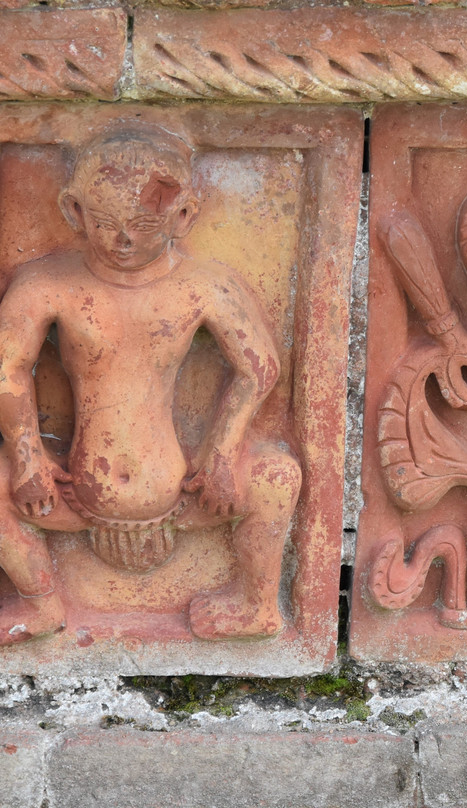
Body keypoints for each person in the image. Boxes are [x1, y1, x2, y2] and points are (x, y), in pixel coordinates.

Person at [0, 122, 301, 643]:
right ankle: (41, 600)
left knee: (278, 478)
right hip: (74, 495)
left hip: (184, 494)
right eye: (105, 222)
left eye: (143, 222)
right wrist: (27, 457)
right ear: (73, 211)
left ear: (183, 215)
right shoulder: (47, 285)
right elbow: (6, 367)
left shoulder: (201, 285)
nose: (123, 240)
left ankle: (258, 606)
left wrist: (223, 454)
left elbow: (260, 367)